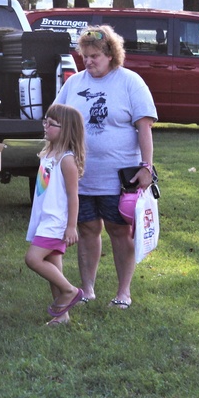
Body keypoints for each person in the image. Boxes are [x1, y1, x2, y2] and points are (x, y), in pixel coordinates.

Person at [54, 25, 157, 310]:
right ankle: (87, 289)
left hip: (120, 178)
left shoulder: (130, 82)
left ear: (111, 55)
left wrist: (147, 167)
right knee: (87, 229)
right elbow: (56, 119)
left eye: (95, 56)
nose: (88, 61)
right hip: (82, 177)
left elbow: (144, 127)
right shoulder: (74, 83)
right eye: (84, 56)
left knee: (119, 231)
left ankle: (123, 292)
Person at [25, 104, 86, 326]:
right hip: (44, 217)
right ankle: (62, 316)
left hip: (56, 220)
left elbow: (73, 196)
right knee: (52, 262)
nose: (46, 126)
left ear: (67, 129)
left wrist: (71, 226)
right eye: (45, 122)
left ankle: (70, 291)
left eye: (52, 124)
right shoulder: (49, 152)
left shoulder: (66, 159)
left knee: (33, 259)